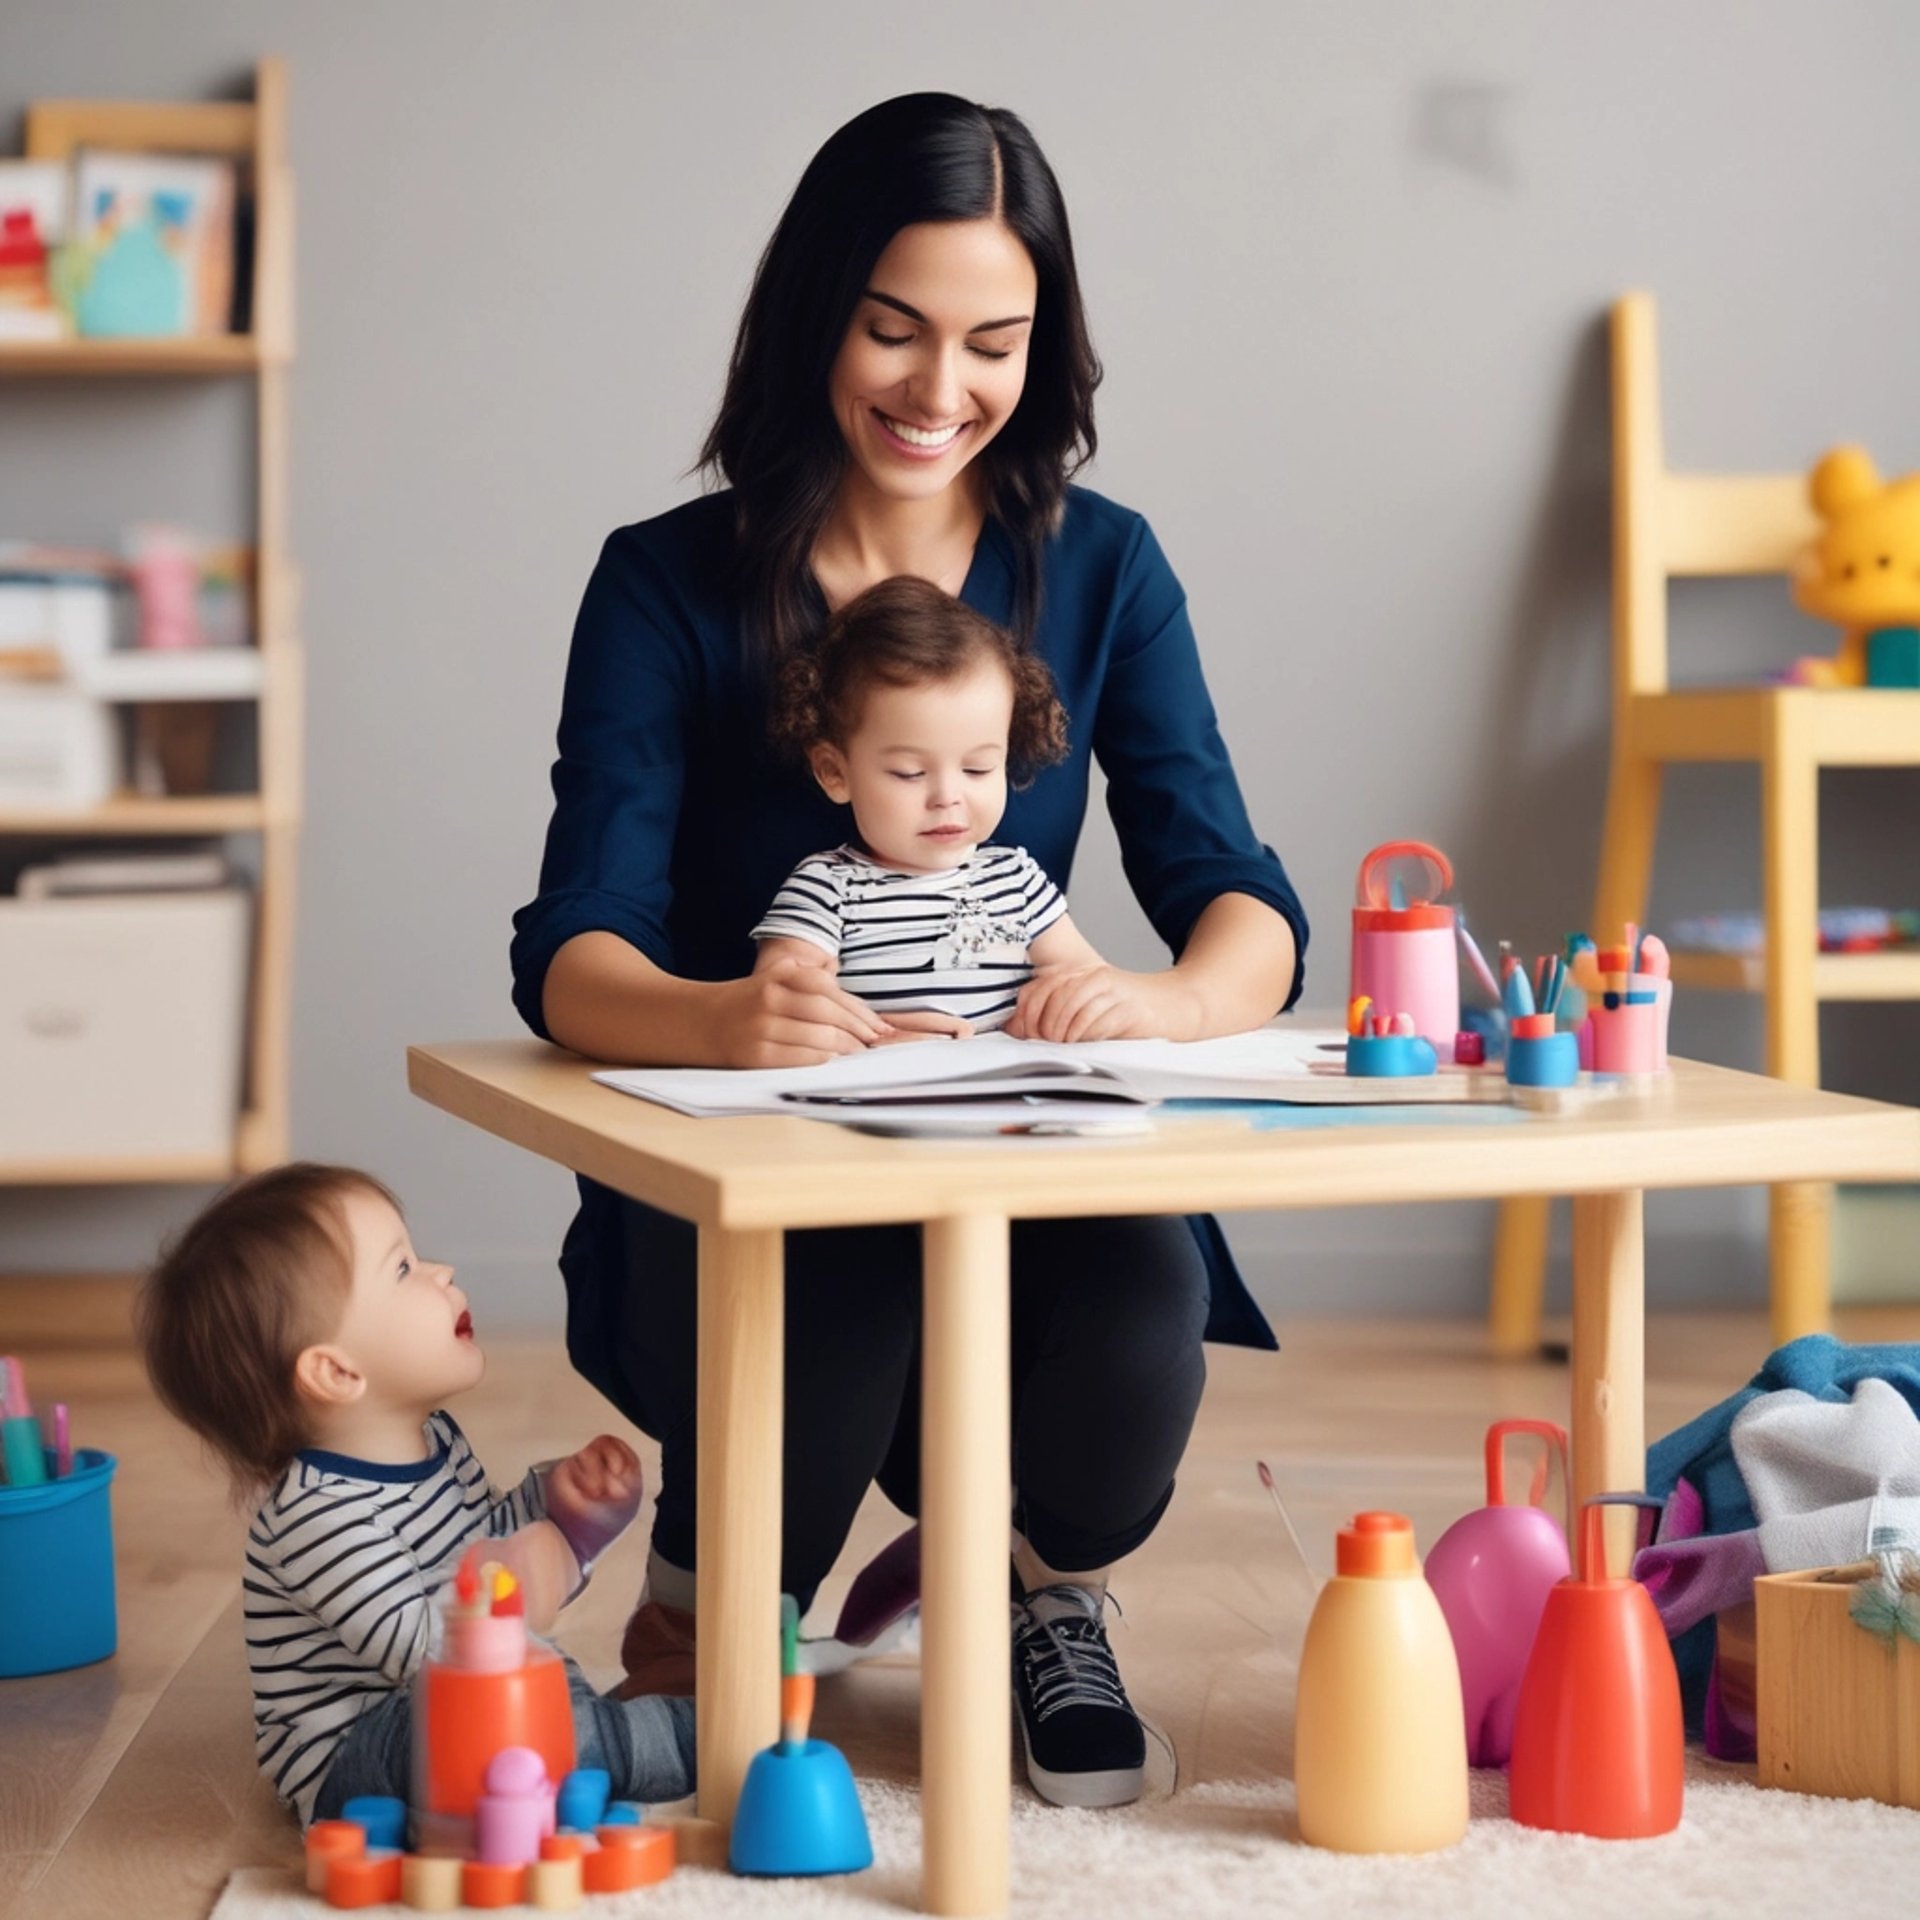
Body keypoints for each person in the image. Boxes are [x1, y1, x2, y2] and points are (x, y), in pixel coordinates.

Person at [510, 92, 1309, 1809]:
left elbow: (1240, 898)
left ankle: (1042, 1591)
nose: (940, 388)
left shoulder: (1102, 572)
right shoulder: (665, 585)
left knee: (1140, 1299)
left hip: (1020, 1166)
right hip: (759, 1185)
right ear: (816, 315)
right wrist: (721, 1015)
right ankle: (719, 1594)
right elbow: (572, 948)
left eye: (994, 343)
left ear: (1047, 351)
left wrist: (1157, 999)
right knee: (839, 1292)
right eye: (893, 328)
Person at [134, 1162, 696, 1828]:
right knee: (511, 1722)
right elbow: (427, 1649)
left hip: (464, 1699)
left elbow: (481, 1549)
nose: (443, 1272)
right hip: (365, 1756)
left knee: (540, 1694)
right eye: (403, 1269)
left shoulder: (435, 1440)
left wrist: (566, 1513)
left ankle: (606, 1740)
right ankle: (668, 1745)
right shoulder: (317, 1518)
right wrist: (536, 1566)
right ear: (337, 1371)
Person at [753, 573, 1132, 1037]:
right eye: (910, 773)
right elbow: (783, 1007)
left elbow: (1088, 981)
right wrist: (874, 1034)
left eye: (978, 770)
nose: (948, 797)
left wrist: (1069, 1005)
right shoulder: (829, 890)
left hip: (1006, 1095)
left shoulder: (1016, 882)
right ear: (835, 772)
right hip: (873, 1094)